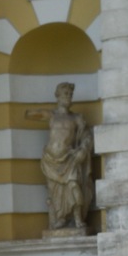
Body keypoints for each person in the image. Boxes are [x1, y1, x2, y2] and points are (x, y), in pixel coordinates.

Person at [26, 82, 94, 230]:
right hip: (51, 160)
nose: (69, 97)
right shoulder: (51, 115)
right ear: (57, 96)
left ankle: (77, 219)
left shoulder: (76, 118)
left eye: (70, 94)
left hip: (69, 159)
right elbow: (31, 114)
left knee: (74, 186)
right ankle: (61, 218)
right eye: (65, 94)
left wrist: (83, 149)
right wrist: (28, 112)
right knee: (54, 192)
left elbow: (87, 136)